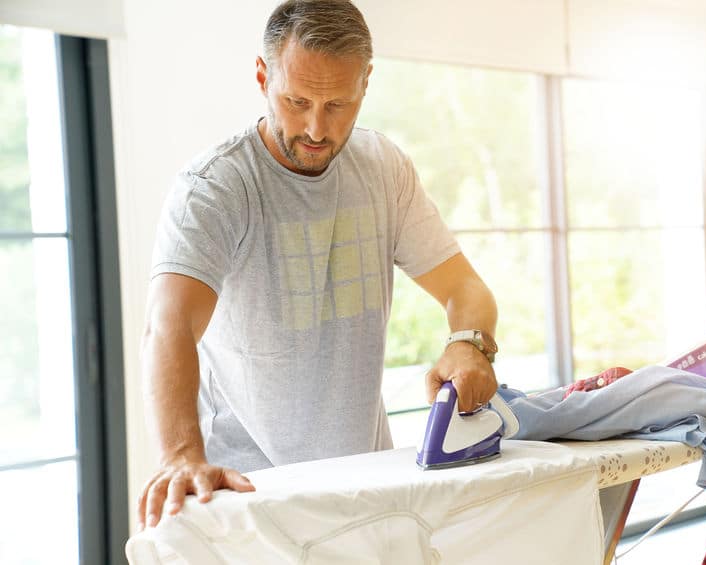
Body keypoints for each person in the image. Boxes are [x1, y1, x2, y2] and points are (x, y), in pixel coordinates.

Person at [137, 0, 499, 531]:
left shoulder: (384, 169)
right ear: (263, 76)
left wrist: (468, 340)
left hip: (367, 486)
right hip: (249, 495)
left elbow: (464, 286)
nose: (315, 128)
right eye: (296, 100)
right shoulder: (215, 188)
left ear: (365, 84)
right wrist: (180, 453)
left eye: (337, 105)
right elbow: (169, 326)